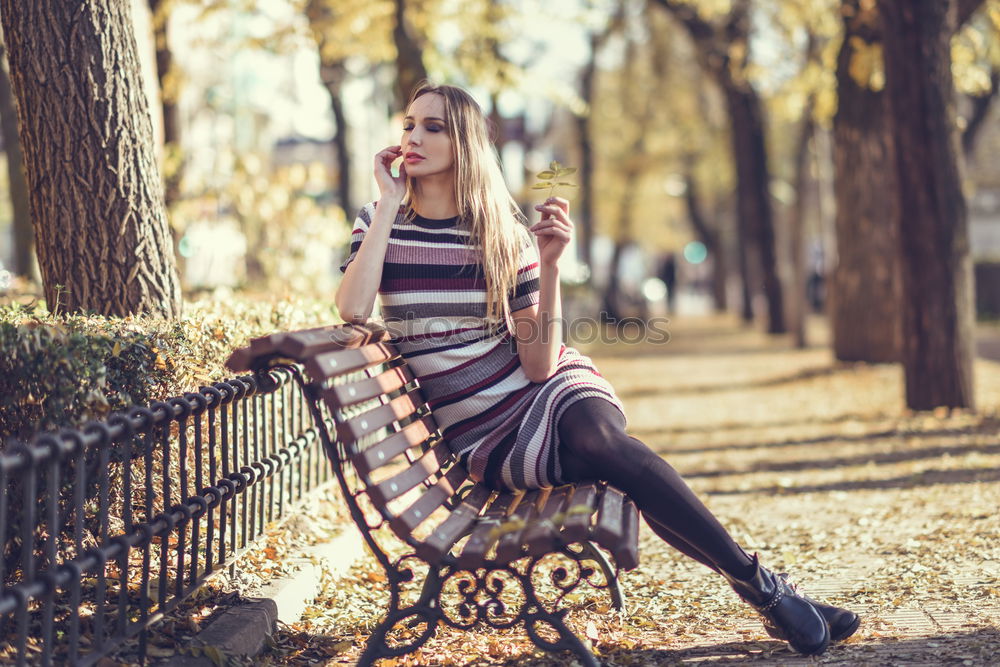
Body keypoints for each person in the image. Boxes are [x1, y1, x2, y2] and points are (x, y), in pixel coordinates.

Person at [334, 82, 859, 656]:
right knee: (622, 464)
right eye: (409, 124)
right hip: (486, 437)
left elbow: (537, 366)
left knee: (604, 443)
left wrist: (551, 266)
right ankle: (769, 591)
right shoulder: (380, 222)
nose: (413, 137)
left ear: (466, 143)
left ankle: (767, 592)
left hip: (550, 390)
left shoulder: (501, 234)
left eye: (434, 127)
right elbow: (353, 308)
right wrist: (386, 203)